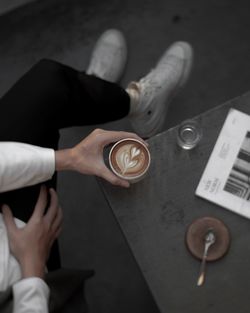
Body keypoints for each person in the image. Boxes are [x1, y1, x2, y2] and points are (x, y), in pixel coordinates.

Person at [0, 29, 193, 312]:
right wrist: (31, 271)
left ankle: (128, 101)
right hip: (20, 277)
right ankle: (93, 94)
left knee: (48, 82)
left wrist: (67, 158)